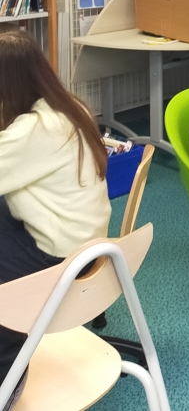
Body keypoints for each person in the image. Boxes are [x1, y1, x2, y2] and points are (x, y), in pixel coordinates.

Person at [0, 30, 111, 408]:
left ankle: (7, 377)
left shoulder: (34, 130)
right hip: (89, 241)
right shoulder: (67, 106)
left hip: (59, 256)